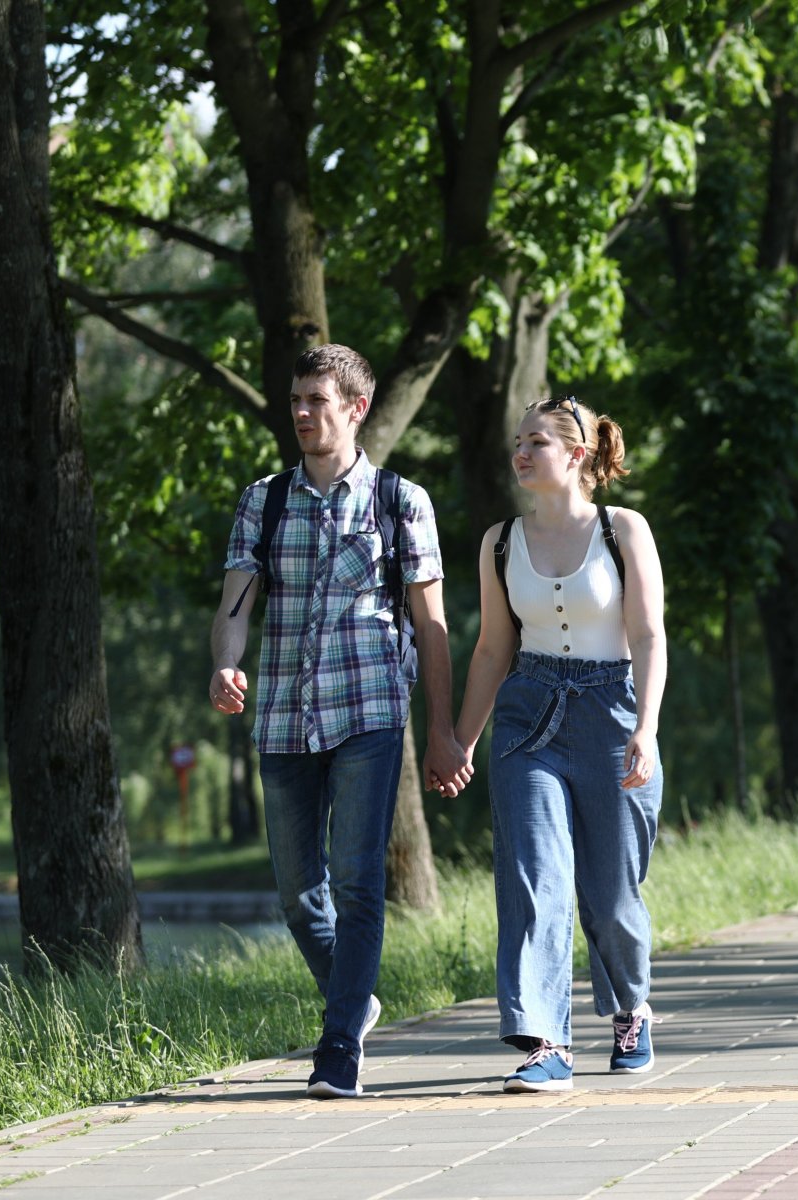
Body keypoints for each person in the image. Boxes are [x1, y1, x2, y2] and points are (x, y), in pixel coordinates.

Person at [209, 345, 466, 1099]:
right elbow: (233, 607)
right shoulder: (265, 500)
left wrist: (445, 731)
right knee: (296, 893)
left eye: (315, 400)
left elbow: (434, 626)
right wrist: (225, 664)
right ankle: (354, 997)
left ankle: (339, 1046)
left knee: (357, 883)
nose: (300, 412)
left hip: (370, 712)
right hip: (285, 716)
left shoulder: (400, 500)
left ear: (355, 408)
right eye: (294, 399)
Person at [452, 395, 666, 1094]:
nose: (521, 452)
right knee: (533, 877)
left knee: (609, 895)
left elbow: (647, 637)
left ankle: (630, 1011)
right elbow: (490, 650)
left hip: (612, 710)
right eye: (517, 441)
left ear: (577, 455)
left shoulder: (623, 529)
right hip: (528, 717)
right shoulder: (499, 542)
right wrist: (460, 741)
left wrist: (645, 728)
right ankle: (546, 1040)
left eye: (537, 441)